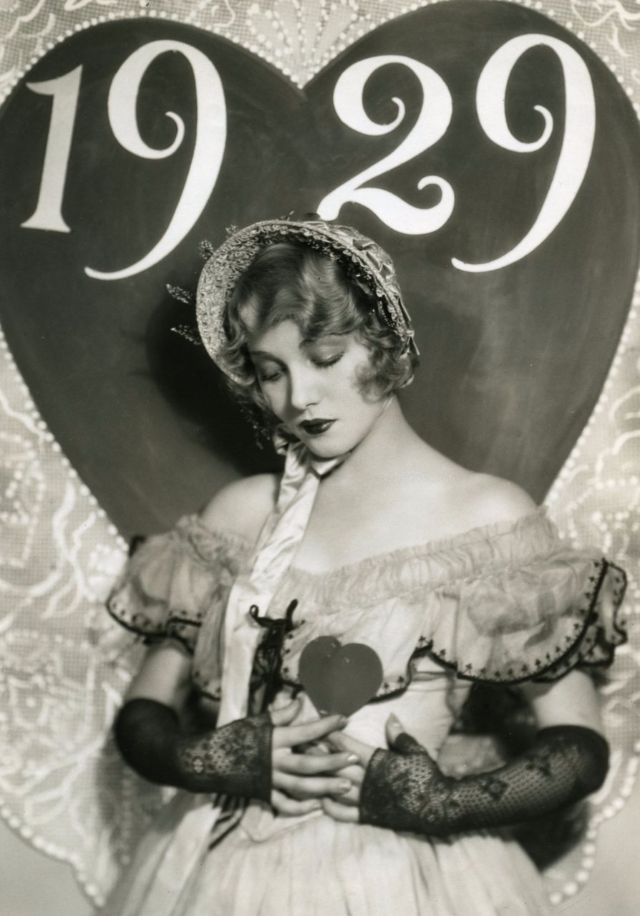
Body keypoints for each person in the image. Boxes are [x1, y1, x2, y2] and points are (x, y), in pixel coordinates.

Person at [104, 217, 627, 916]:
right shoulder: (240, 515)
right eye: (270, 371)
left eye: (323, 357)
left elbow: (580, 747)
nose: (298, 397)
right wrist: (218, 759)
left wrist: (441, 801)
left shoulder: (487, 518)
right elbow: (142, 717)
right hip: (223, 876)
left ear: (384, 343)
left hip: (410, 881)